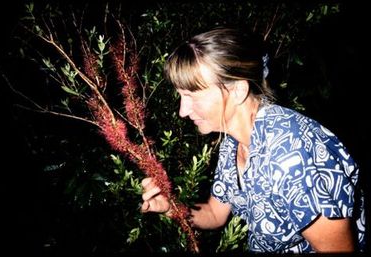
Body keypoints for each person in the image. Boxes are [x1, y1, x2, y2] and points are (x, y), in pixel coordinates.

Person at [140, 27, 366, 253]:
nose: (182, 111)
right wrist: (171, 207)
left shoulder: (292, 155)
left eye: (191, 96)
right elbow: (215, 214)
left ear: (238, 90)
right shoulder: (233, 142)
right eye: (181, 96)